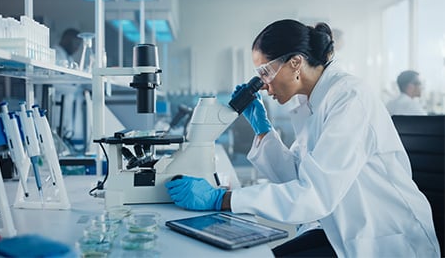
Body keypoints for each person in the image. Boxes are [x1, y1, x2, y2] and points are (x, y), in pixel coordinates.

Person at [165, 19, 440, 257]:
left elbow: (313, 195)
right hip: (338, 230)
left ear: (295, 62)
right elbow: (295, 178)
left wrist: (222, 199)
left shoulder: (348, 98)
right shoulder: (310, 102)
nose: (264, 85)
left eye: (265, 73)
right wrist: (263, 130)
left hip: (384, 240)